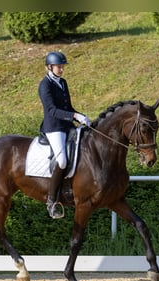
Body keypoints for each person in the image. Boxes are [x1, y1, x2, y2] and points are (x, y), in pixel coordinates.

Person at [38, 51, 91, 219]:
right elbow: (52, 110)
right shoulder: (45, 85)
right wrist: (74, 116)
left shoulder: (63, 82)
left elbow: (68, 107)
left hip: (67, 125)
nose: (61, 69)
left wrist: (80, 116)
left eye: (62, 67)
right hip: (54, 127)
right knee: (62, 160)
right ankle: (51, 200)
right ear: (49, 67)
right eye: (58, 67)